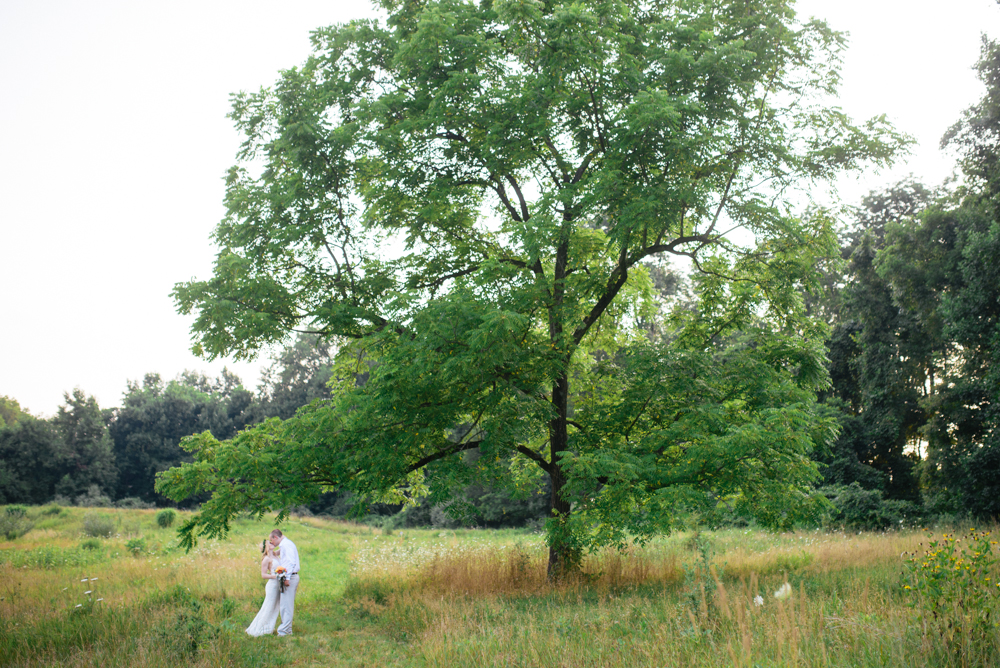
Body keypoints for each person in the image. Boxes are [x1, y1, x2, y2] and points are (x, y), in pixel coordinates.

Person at [245, 539, 280, 636]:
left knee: (275, 606)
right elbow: (263, 575)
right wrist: (274, 576)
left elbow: (284, 546)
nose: (272, 543)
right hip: (272, 585)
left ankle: (268, 627)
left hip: (278, 584)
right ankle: (259, 628)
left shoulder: (275, 555)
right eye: (270, 542)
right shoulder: (266, 559)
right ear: (266, 547)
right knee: (269, 606)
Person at [270, 528, 300, 636]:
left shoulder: (286, 545)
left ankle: (284, 631)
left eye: (272, 540)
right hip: (288, 576)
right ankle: (287, 630)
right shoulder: (284, 545)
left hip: (290, 577)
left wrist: (287, 578)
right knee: (284, 605)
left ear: (276, 537)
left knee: (286, 605)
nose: (272, 543)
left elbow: (290, 562)